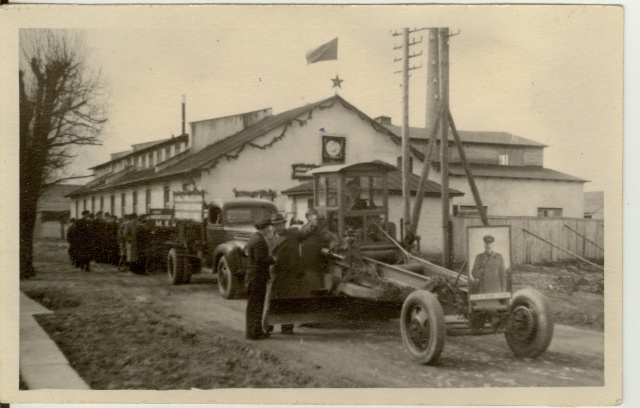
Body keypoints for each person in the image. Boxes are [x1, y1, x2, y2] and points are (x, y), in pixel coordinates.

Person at [267, 213, 308, 335]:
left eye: (279, 224)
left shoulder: (293, 234)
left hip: (291, 274)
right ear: (272, 227)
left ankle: (287, 327)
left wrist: (313, 221)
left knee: (288, 301)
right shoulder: (269, 239)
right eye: (275, 225)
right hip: (276, 274)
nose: (277, 227)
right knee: (271, 300)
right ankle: (269, 325)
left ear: (284, 224)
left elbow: (307, 231)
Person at [245, 218, 274, 340]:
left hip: (254, 276)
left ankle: (253, 331)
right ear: (264, 228)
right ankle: (254, 333)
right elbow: (260, 260)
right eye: (268, 227)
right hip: (257, 277)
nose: (270, 229)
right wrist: (273, 259)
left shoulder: (255, 238)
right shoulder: (259, 241)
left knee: (254, 305)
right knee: (256, 305)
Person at [300, 208, 337, 293]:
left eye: (315, 217)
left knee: (321, 287)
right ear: (308, 218)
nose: (314, 219)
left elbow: (327, 236)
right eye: (312, 217)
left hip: (320, 263)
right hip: (309, 264)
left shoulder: (320, 230)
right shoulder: (305, 229)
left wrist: (331, 241)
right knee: (313, 288)